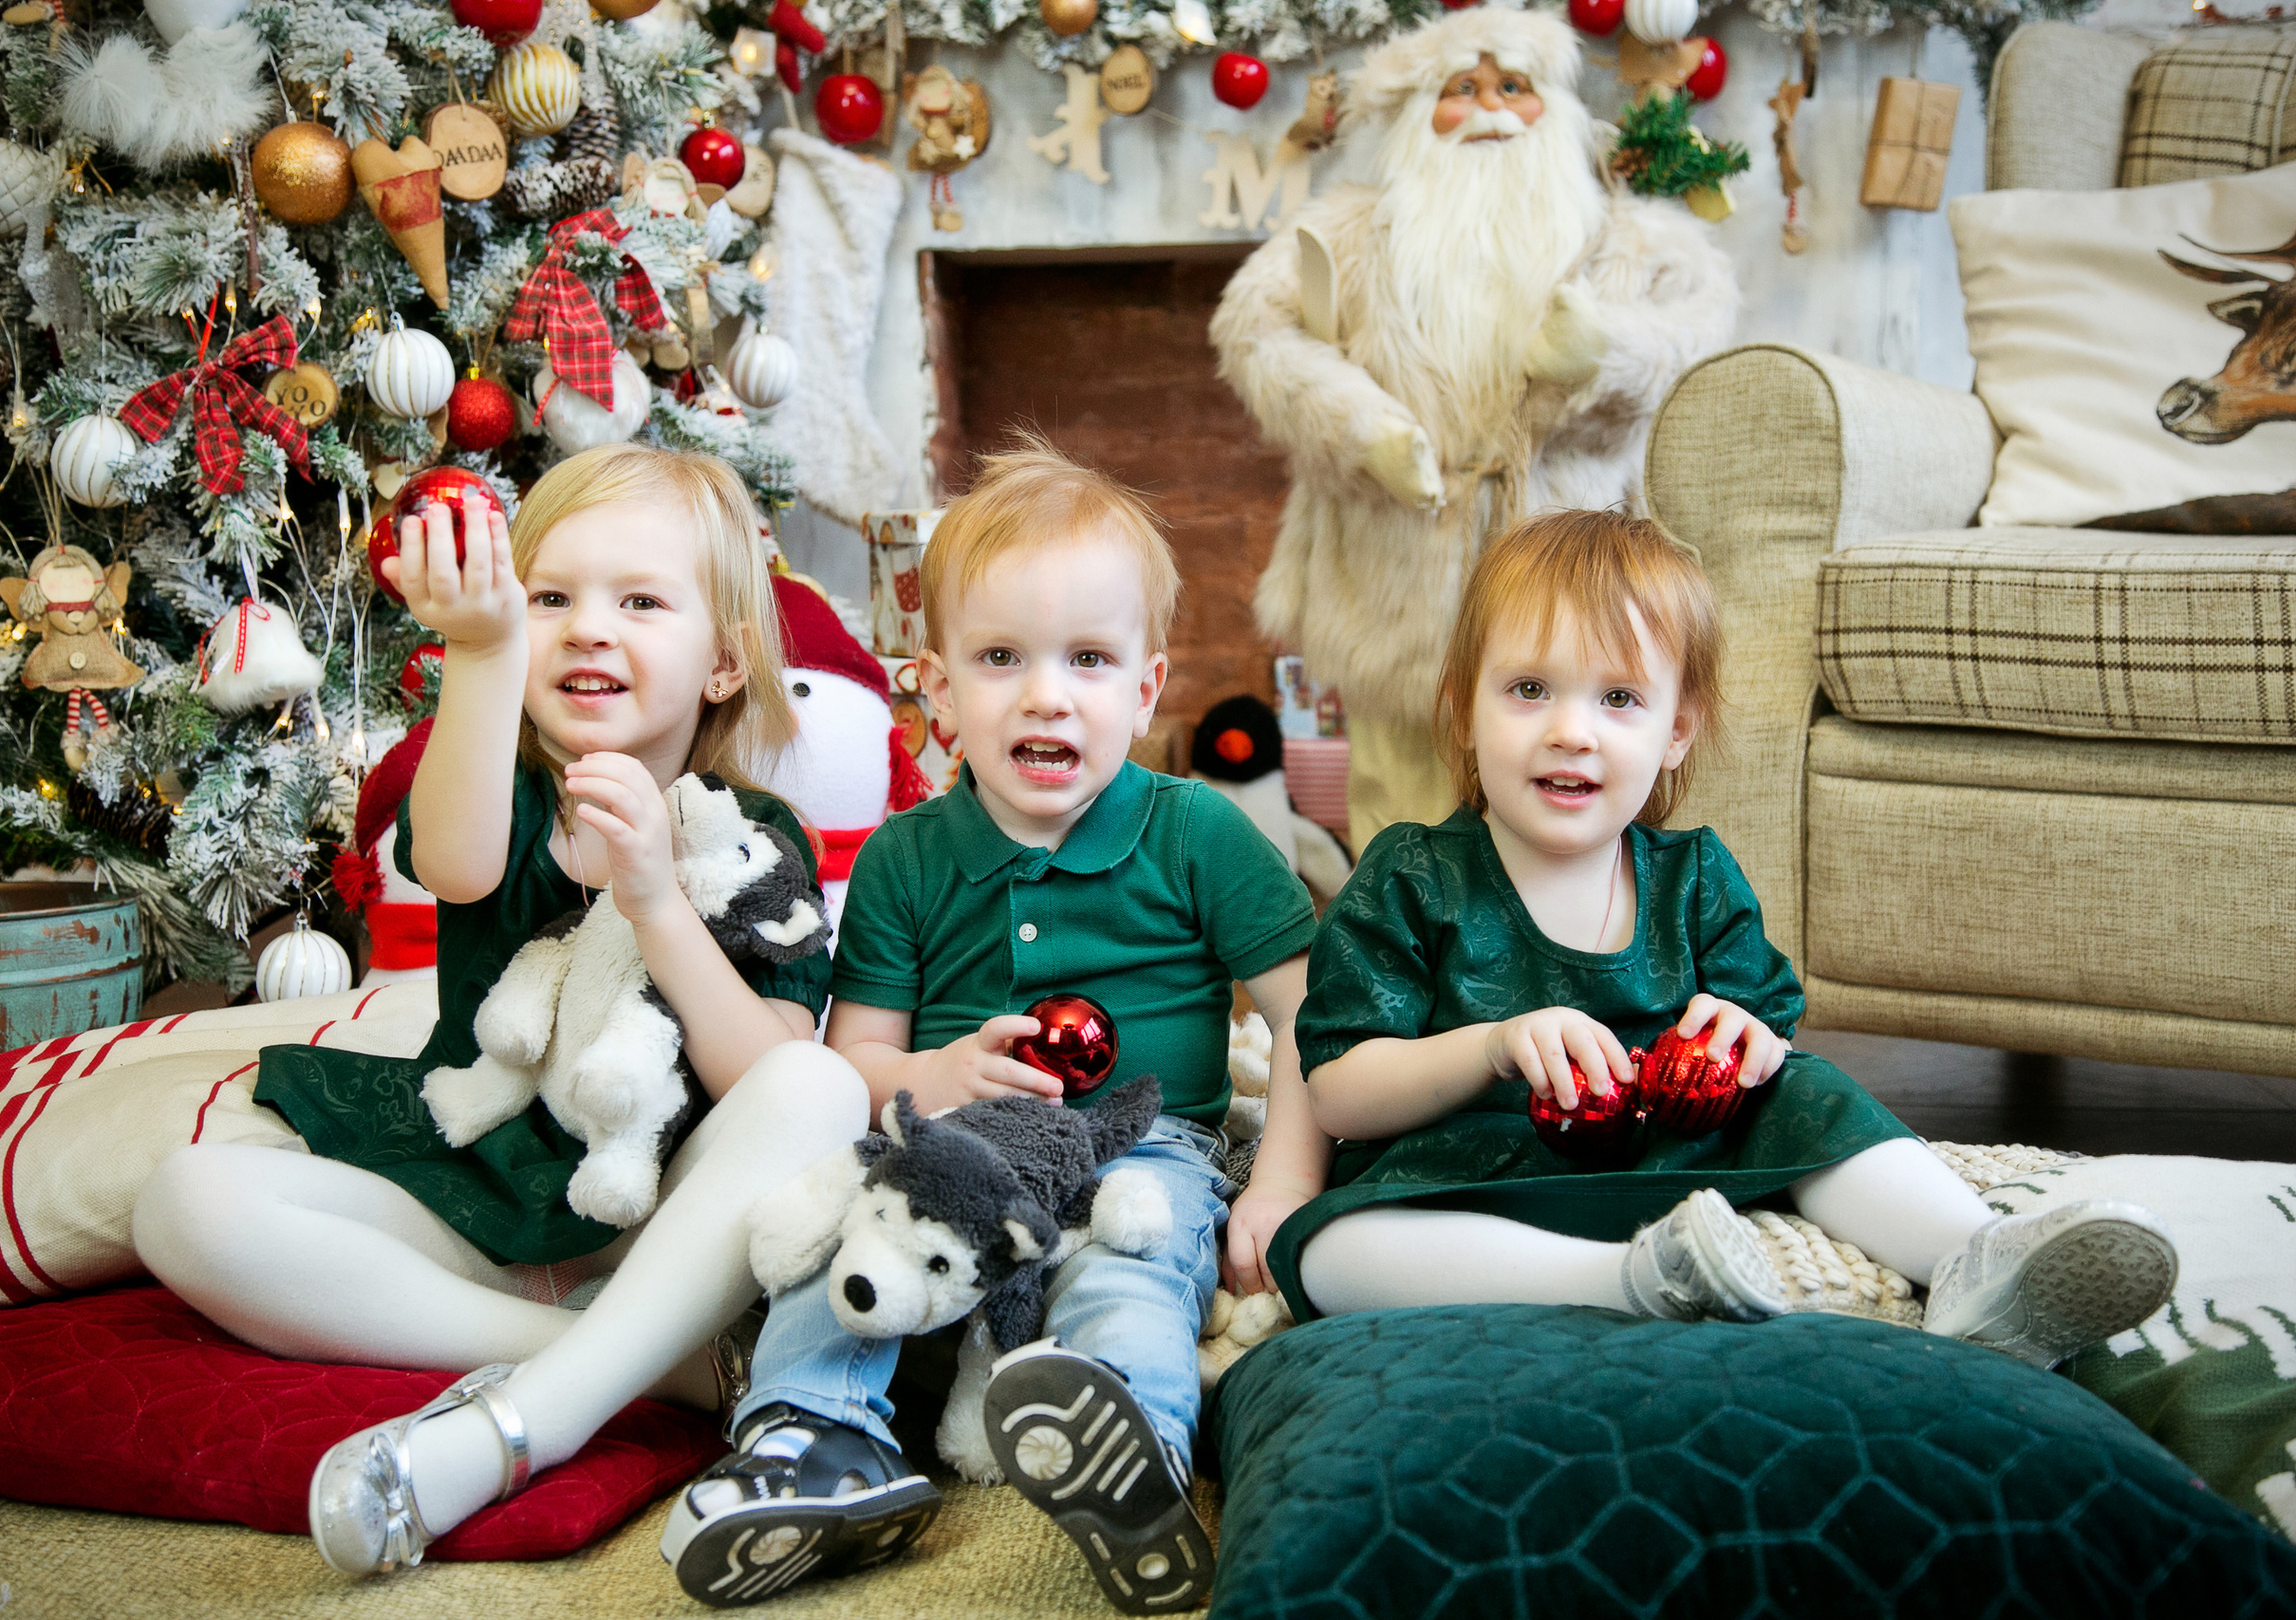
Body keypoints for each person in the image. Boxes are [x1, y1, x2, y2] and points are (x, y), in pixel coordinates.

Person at [131, 445, 872, 1576]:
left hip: (657, 1215)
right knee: (186, 1202)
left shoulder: (748, 832)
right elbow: (463, 867)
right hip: (477, 1188)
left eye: (637, 601)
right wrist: (480, 655)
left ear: (723, 662)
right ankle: (634, 1363)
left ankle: (537, 1417)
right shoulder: (499, 782)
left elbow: (765, 1071)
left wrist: (659, 903)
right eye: (551, 599)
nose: (586, 627)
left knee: (821, 1089)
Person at [663, 442, 1331, 1614]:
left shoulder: (1200, 834)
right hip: (949, 1150)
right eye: (1001, 659)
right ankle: (810, 1441)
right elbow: (852, 1064)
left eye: (1087, 660)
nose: (1045, 694)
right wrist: (932, 1068)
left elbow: (1311, 1022)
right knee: (852, 1230)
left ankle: (1127, 1440)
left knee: (1138, 1255)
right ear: (935, 685)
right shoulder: (907, 862)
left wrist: (1275, 1181)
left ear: (1145, 684)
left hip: (1148, 1141)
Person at [1272, 510, 2179, 1369]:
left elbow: (1765, 1034)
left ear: (1677, 731)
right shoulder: (1413, 876)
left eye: (1619, 696)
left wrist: (1748, 1042)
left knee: (1810, 1089)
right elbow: (1343, 1096)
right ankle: (1625, 1285)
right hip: (1474, 1172)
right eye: (1529, 688)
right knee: (1332, 1251)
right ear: (1464, 708)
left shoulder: (1695, 877)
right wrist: (1493, 1047)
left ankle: (1981, 1261)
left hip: (1676, 1156)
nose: (1570, 731)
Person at [1212, 5, 1738, 849]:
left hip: (1563, 558)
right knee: (1401, 796)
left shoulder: (1621, 234)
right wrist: (1364, 427)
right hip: (1393, 571)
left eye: (1514, 87)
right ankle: (1402, 961)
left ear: (1555, 107)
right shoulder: (1348, 231)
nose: (1490, 105)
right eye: (1463, 88)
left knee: (1563, 784)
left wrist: (1601, 353)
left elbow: (1697, 327)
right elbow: (1255, 331)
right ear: (1419, 114)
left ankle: (1560, 954)